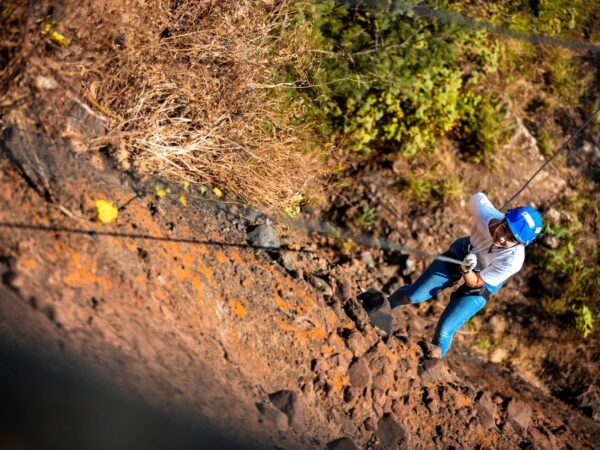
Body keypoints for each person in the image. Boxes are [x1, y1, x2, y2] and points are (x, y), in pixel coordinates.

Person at [362, 192, 543, 359]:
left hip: (482, 280)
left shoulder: (513, 261)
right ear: (503, 219)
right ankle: (380, 309)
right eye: (504, 230)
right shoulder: (484, 214)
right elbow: (478, 197)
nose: (503, 238)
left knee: (445, 329)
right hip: (464, 251)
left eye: (511, 239)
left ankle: (428, 365)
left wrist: (466, 270)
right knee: (413, 295)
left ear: (520, 244)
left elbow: (477, 281)